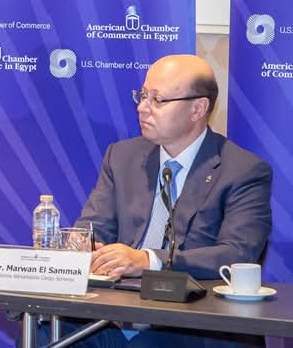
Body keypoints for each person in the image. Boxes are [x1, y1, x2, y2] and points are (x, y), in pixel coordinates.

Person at [54, 54, 273, 348]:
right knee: (45, 333)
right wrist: (87, 249)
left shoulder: (243, 170)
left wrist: (147, 261)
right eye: (142, 96)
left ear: (198, 108)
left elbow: (237, 254)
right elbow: (92, 229)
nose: (142, 108)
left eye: (157, 100)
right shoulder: (121, 157)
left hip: (192, 325)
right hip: (115, 315)